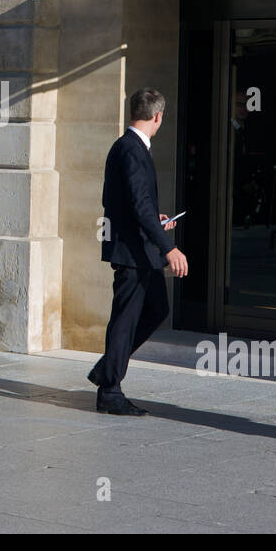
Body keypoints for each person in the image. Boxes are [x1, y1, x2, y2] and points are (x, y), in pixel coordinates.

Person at [87, 88, 188, 415]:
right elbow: (140, 206)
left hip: (141, 249)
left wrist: (156, 225)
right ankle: (110, 390)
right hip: (132, 253)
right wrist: (169, 247)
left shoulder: (130, 147)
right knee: (125, 320)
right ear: (157, 116)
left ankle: (107, 368)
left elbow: (136, 205)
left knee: (157, 308)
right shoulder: (131, 149)